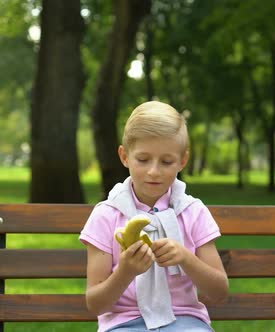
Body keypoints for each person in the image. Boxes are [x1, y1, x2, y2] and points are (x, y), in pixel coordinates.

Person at [80, 101, 228, 332]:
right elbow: (96, 304)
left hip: (185, 321)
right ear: (125, 156)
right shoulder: (106, 216)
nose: (154, 171)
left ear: (183, 161)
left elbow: (219, 292)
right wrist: (126, 271)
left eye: (167, 162)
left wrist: (186, 258)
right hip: (123, 323)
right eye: (143, 159)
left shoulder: (193, 212)